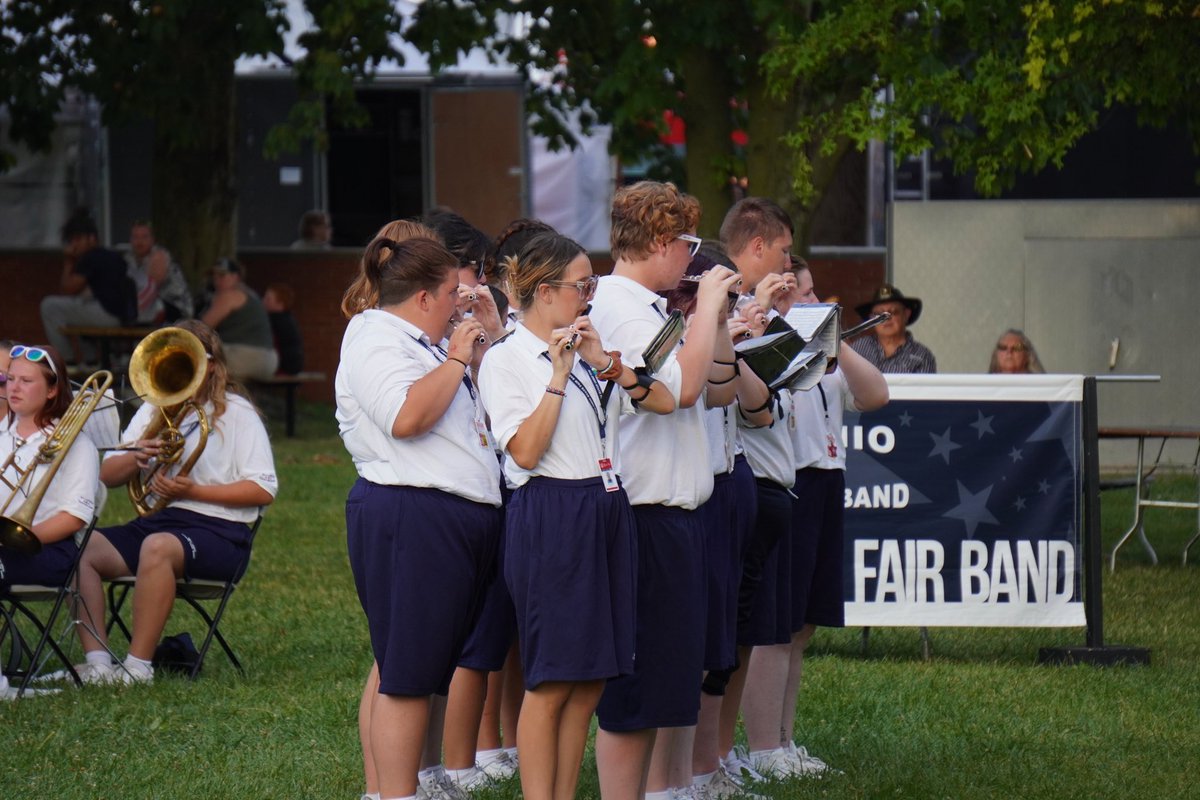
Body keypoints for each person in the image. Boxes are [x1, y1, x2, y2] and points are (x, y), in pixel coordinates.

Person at [478, 231, 673, 800]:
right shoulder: (508, 360)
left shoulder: (592, 347)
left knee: (590, 679)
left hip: (606, 504)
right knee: (552, 678)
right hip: (552, 512)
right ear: (544, 292)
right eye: (580, 285)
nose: (589, 295)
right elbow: (525, 453)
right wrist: (560, 377)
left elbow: (661, 402)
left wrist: (604, 363)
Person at [336, 236, 506, 800]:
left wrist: (479, 354)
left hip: (453, 516)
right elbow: (406, 417)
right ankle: (393, 794)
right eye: (455, 293)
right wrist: (457, 356)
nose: (462, 303)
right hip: (411, 513)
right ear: (427, 297)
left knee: (434, 667)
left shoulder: (429, 344)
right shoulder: (374, 335)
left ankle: (426, 780)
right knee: (408, 676)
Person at [588, 181, 742, 800]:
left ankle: (666, 789)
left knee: (670, 676)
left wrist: (714, 320)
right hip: (644, 509)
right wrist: (705, 307)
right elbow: (678, 392)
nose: (691, 257)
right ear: (659, 241)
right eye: (686, 243)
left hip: (677, 510)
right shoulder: (622, 308)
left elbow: (715, 388)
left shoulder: (649, 307)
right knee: (638, 683)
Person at [742, 263, 889, 778]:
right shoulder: (764, 337)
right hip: (791, 478)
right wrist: (784, 323)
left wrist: (835, 341)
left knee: (801, 625)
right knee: (776, 625)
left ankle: (783, 740)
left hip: (827, 477)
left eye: (811, 293)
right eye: (799, 292)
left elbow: (875, 395)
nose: (810, 301)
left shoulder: (824, 354)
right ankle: (763, 747)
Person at [69, 320, 276, 684]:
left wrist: (192, 491)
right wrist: (135, 456)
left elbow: (262, 490)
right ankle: (99, 663)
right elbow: (107, 474)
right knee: (79, 547)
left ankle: (138, 667)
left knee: (157, 547)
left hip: (222, 531)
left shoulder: (238, 413)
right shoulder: (154, 410)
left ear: (211, 364)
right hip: (161, 523)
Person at [0, 344, 100, 699]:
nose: (14, 388)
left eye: (26, 381)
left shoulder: (76, 444)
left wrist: (14, 538)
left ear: (53, 389)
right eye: (10, 379)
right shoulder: (1, 434)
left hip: (46, 552)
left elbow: (74, 517)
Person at [40, 209, 137, 366]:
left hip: (108, 315)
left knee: (49, 306)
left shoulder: (91, 256)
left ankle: (67, 362)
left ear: (92, 239)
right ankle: (91, 361)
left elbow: (67, 289)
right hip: (122, 316)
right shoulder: (112, 255)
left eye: (78, 239)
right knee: (77, 308)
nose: (74, 245)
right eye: (71, 241)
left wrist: (68, 262)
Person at [201, 258, 279, 381]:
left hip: (244, 356)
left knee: (198, 357)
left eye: (222, 276)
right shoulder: (251, 294)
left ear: (236, 277)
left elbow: (202, 327)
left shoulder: (229, 296)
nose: (216, 281)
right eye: (214, 276)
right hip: (269, 360)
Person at [849, 283, 937, 373]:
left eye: (893, 312)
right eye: (879, 314)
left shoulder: (922, 356)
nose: (886, 319)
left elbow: (923, 387)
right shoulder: (858, 349)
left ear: (906, 315)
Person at [126, 220, 194, 323]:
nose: (139, 241)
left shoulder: (159, 256)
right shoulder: (128, 259)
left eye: (144, 237)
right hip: (149, 308)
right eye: (135, 237)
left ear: (152, 240)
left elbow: (150, 288)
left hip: (175, 307)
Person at [263, 283, 305, 375]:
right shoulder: (288, 319)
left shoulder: (275, 321)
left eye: (268, 299)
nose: (263, 302)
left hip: (283, 367)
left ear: (280, 303)